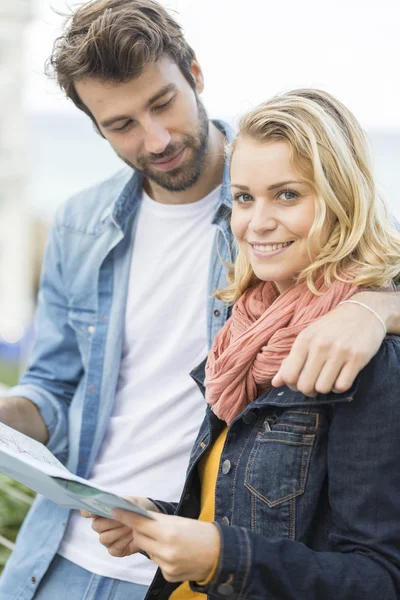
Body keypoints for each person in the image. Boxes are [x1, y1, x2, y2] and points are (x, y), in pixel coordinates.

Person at [0, 0, 398, 597]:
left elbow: (365, 249)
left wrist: (377, 306)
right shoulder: (80, 224)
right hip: (76, 546)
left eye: (162, 103)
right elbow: (55, 386)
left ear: (195, 72)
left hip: (206, 569)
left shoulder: (278, 180)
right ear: (95, 127)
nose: (155, 138)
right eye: (121, 124)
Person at [90, 89, 400, 600]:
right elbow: (242, 513)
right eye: (243, 197)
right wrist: (160, 525)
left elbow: (379, 579)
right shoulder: (245, 332)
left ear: (342, 200)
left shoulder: (364, 359)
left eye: (288, 195)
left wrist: (219, 557)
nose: (256, 223)